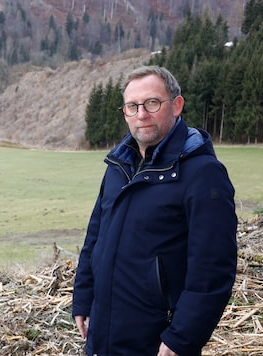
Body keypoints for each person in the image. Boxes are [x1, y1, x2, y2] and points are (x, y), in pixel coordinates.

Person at [72, 65, 237, 356]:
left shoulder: (203, 174)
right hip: (104, 334)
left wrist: (182, 338)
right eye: (132, 106)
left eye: (152, 103)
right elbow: (95, 238)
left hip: (158, 341)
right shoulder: (118, 166)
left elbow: (212, 269)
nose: (142, 115)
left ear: (177, 105)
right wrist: (84, 298)